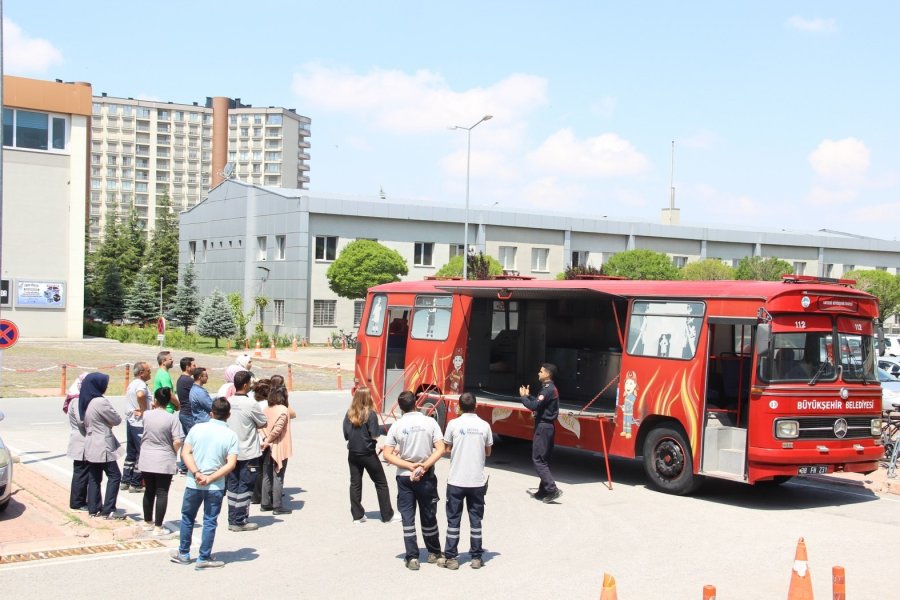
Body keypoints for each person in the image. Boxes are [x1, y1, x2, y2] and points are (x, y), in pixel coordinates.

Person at [170, 397, 239, 570]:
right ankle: (204, 556)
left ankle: (184, 553)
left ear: (211, 413)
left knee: (187, 518)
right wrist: (211, 477)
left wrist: (196, 472)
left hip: (194, 483)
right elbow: (231, 464)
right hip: (215, 485)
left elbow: (186, 453)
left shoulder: (197, 428)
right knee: (209, 520)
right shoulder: (230, 435)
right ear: (228, 415)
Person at [383, 390, 445, 571]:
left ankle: (412, 557)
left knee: (408, 518)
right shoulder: (430, 422)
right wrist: (424, 466)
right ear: (416, 403)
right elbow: (440, 449)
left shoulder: (397, 425)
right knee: (428, 515)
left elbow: (387, 454)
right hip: (426, 475)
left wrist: (408, 466)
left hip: (404, 477)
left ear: (401, 408)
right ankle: (434, 552)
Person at [437, 392, 493, 570]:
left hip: (456, 480)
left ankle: (452, 557)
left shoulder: (453, 424)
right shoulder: (484, 426)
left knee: (453, 520)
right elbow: (489, 452)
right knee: (475, 520)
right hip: (476, 481)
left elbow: (446, 447)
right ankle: (476, 557)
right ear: (475, 406)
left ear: (459, 407)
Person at [342, 387, 395, 524]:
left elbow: (346, 434)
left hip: (353, 453)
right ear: (368, 398)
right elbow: (375, 434)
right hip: (367, 453)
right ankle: (387, 515)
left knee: (355, 483)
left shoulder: (349, 413)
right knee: (381, 483)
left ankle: (357, 515)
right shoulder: (370, 414)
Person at [138, 388, 185, 536]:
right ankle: (158, 526)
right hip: (164, 457)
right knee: (162, 493)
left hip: (147, 457)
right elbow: (177, 440)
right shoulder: (171, 418)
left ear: (155, 401)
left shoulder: (147, 415)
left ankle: (147, 521)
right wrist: (173, 450)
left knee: (149, 491)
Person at [80, 372, 126, 519]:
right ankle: (109, 509)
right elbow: (116, 419)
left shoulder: (86, 399)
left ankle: (93, 508)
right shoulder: (100, 401)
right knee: (115, 475)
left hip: (91, 442)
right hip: (102, 444)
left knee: (94, 476)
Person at [225, 370, 266, 532]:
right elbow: (263, 423)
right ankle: (239, 519)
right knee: (245, 486)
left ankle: (232, 517)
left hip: (231, 452)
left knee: (233, 486)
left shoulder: (228, 401)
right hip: (248, 451)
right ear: (245, 385)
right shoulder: (251, 404)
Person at [519, 363, 562, 503]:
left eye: (541, 371)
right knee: (544, 460)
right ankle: (543, 491)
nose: (538, 373)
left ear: (548, 374)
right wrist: (529, 396)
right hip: (548, 427)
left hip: (543, 427)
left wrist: (524, 398)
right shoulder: (548, 389)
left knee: (538, 459)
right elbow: (539, 403)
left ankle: (552, 489)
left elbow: (534, 406)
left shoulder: (547, 390)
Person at [260, 385, 293, 515]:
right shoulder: (283, 409)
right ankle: (277, 506)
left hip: (266, 445)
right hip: (278, 445)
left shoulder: (266, 409)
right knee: (278, 475)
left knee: (267, 474)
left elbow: (261, 426)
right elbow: (278, 429)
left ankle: (265, 502)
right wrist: (269, 440)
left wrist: (265, 440)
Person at [122, 361, 151, 493]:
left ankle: (125, 480)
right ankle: (136, 483)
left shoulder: (132, 383)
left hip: (131, 421)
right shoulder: (140, 384)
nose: (150, 373)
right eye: (148, 371)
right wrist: (145, 410)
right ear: (141, 373)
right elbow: (140, 395)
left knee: (131, 452)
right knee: (142, 452)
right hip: (139, 423)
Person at [66, 383, 89, 511]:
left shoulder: (77, 399)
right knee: (81, 472)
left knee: (83, 472)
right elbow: (81, 421)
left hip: (80, 439)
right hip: (81, 440)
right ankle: (77, 502)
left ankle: (80, 500)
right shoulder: (77, 400)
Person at [176, 357, 197, 472]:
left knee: (187, 440)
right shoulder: (188, 381)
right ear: (188, 367)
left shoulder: (181, 379)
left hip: (184, 413)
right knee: (193, 441)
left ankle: (184, 466)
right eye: (193, 365)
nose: (195, 367)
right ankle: (189, 465)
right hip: (188, 414)